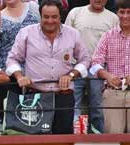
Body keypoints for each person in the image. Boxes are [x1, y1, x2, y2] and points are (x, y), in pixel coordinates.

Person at [6, 0, 91, 134]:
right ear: (40, 16)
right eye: (46, 17)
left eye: (54, 17)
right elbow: (12, 59)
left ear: (60, 17)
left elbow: (85, 59)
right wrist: (19, 76)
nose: (50, 21)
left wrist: (71, 75)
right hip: (35, 96)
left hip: (64, 96)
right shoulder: (26, 33)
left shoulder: (73, 34)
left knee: (63, 139)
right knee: (35, 140)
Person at [0, 0, 39, 123]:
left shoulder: (34, 8)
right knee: (9, 117)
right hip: (7, 74)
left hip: (35, 71)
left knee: (34, 116)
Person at [65, 0, 117, 133]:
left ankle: (98, 134)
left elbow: (115, 45)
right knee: (73, 104)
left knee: (97, 106)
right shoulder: (75, 13)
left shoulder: (113, 18)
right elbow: (65, 38)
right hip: (76, 66)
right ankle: (74, 135)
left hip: (98, 69)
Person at [90, 0, 130, 134]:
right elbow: (94, 64)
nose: (125, 16)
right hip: (113, 91)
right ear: (116, 13)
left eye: (129, 12)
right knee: (113, 137)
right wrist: (107, 75)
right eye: (122, 12)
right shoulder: (108, 36)